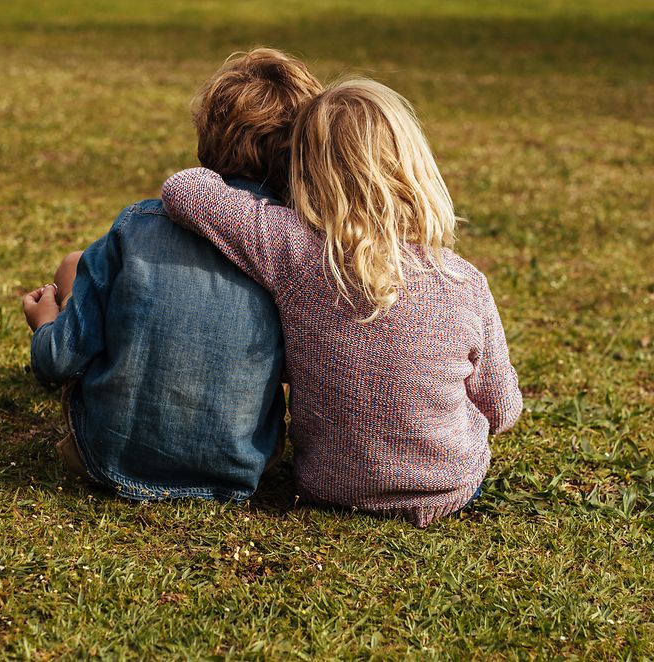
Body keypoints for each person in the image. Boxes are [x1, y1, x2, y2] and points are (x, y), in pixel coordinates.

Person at [161, 79, 523, 527]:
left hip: (326, 485)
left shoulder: (293, 249)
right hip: (447, 486)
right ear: (416, 169)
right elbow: (502, 409)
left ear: (304, 173)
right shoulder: (463, 281)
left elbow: (185, 188)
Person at [21, 48, 322, 502]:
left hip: (106, 459)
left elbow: (56, 362)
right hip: (240, 470)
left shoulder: (139, 225)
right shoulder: (298, 254)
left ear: (206, 137)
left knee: (73, 267)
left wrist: (44, 322)